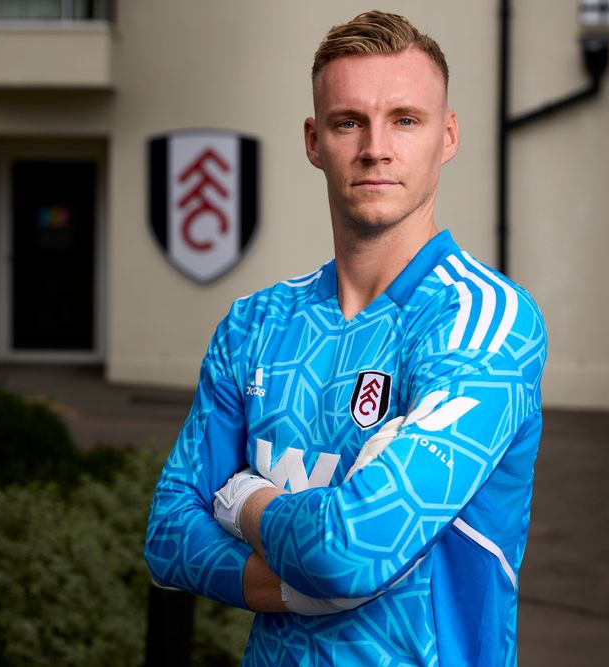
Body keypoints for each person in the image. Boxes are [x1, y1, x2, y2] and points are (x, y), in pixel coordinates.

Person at [145, 10, 547, 666]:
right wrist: (299, 590)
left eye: (405, 120)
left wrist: (243, 496)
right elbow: (166, 531)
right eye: (348, 121)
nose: (376, 148)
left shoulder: (485, 323)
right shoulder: (257, 322)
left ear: (447, 136)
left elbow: (351, 547)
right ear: (313, 140)